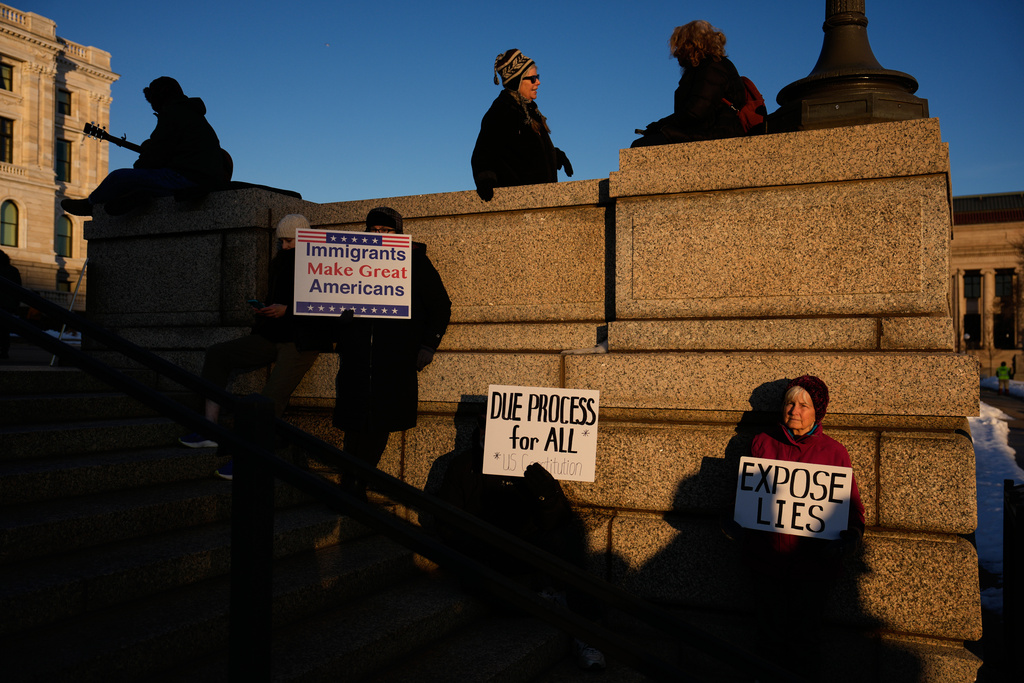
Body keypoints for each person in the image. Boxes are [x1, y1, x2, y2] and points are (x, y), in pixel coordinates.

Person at [436, 416, 607, 670]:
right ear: (479, 430)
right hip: (486, 554)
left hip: (527, 549)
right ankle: (548, 601)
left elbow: (557, 522)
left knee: (570, 543)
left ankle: (584, 632)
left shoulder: (532, 462)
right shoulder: (462, 466)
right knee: (477, 580)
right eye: (487, 428)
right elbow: (448, 527)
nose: (493, 434)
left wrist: (546, 494)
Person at [179, 214, 332, 480]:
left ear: (305, 239)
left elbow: (328, 306)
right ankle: (209, 428)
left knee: (270, 398)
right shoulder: (280, 263)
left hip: (301, 341)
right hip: (273, 335)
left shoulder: (322, 262)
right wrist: (266, 310)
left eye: (289, 241)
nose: (284, 246)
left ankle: (247, 459)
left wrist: (289, 310)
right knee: (218, 354)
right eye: (281, 241)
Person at [736, 375, 866, 681]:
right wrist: (731, 519)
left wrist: (851, 538)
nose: (794, 410)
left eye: (803, 405)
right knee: (767, 641)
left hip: (812, 569)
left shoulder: (834, 452)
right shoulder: (761, 443)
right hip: (767, 565)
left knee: (804, 643)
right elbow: (743, 495)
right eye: (789, 403)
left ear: (816, 412)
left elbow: (853, 509)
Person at [333, 206, 451, 499]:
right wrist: (339, 322)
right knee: (354, 422)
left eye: (387, 231)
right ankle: (351, 480)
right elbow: (331, 298)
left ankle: (357, 483)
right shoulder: (351, 262)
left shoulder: (416, 262)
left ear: (398, 234)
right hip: (357, 357)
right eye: (374, 231)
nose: (380, 236)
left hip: (395, 358)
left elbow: (440, 305)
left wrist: (428, 345)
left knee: (378, 421)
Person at [61, 77, 228, 217]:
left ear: (161, 96)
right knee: (142, 183)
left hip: (186, 178)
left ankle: (91, 205)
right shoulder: (192, 115)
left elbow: (156, 154)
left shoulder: (173, 114)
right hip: (201, 177)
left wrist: (140, 166)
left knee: (118, 178)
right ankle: (138, 196)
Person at [471, 49, 573, 201]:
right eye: (532, 78)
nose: (538, 82)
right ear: (516, 81)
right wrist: (486, 180)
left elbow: (524, 150)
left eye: (537, 77)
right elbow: (484, 151)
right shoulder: (501, 111)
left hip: (542, 199)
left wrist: (554, 155)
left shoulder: (530, 112)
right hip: (520, 200)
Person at [631, 20, 747, 147]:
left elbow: (696, 111)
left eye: (678, 44)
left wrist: (659, 125)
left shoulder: (712, 67)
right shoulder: (708, 66)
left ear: (689, 44)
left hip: (716, 133)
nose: (676, 51)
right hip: (709, 130)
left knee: (641, 145)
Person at [0, 249, 22, 359]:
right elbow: (18, 290)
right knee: (4, 331)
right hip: (8, 305)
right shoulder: (13, 270)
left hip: (5, 304)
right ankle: (3, 351)